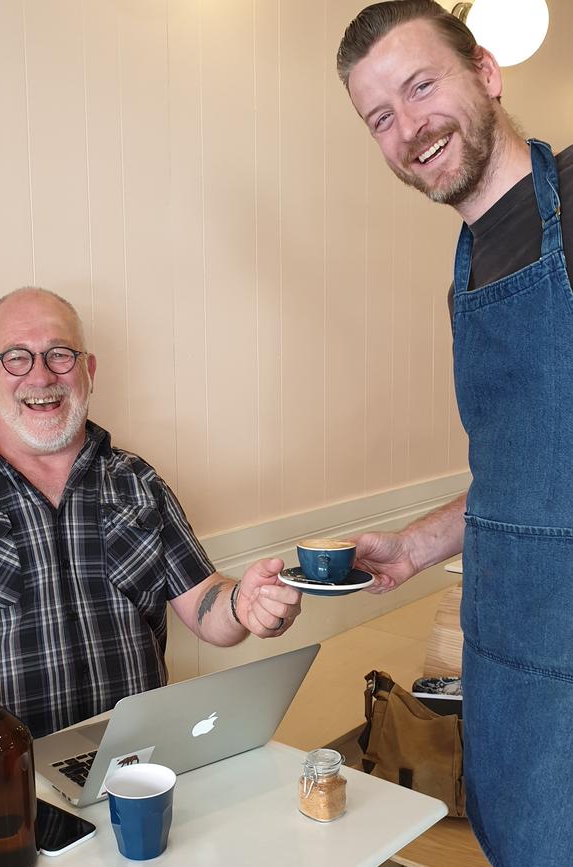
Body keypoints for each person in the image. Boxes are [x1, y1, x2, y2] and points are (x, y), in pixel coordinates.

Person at [336, 2, 573, 864]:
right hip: (505, 679)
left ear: (485, 71)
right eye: (381, 117)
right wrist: (418, 544)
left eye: (421, 85)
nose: (409, 128)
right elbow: (535, 461)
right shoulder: (468, 268)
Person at [0, 287, 302, 785]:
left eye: (60, 355)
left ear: (89, 371)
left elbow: (208, 608)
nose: (41, 375)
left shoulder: (138, 483)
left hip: (134, 773)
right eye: (16, 357)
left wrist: (244, 606)